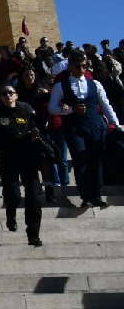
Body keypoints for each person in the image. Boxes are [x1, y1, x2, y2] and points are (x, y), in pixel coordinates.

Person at [48, 49, 119, 209]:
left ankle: (97, 195)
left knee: (96, 161)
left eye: (83, 66)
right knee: (81, 161)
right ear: (70, 67)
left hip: (95, 125)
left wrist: (116, 124)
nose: (81, 69)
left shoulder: (95, 84)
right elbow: (52, 108)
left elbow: (106, 105)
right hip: (74, 127)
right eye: (77, 66)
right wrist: (71, 110)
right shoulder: (61, 86)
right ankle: (86, 196)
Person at [0, 84, 46, 245]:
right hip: (8, 160)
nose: (8, 95)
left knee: (33, 197)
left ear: (16, 95)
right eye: (4, 93)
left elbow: (37, 129)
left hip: (28, 159)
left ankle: (33, 234)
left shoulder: (26, 112)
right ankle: (10, 215)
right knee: (13, 195)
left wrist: (35, 136)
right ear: (0, 97)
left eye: (10, 93)